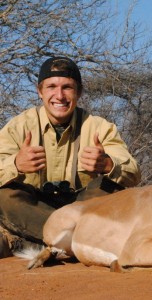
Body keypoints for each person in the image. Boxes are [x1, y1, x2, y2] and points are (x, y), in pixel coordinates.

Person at [0, 57, 141, 257]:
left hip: (81, 209)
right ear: (40, 91)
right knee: (3, 196)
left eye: (67, 87)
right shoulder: (18, 126)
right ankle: (78, 241)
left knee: (113, 188)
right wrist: (15, 164)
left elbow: (133, 173)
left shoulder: (99, 127)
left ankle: (47, 243)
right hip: (34, 210)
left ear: (79, 92)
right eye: (51, 87)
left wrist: (107, 164)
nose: (59, 95)